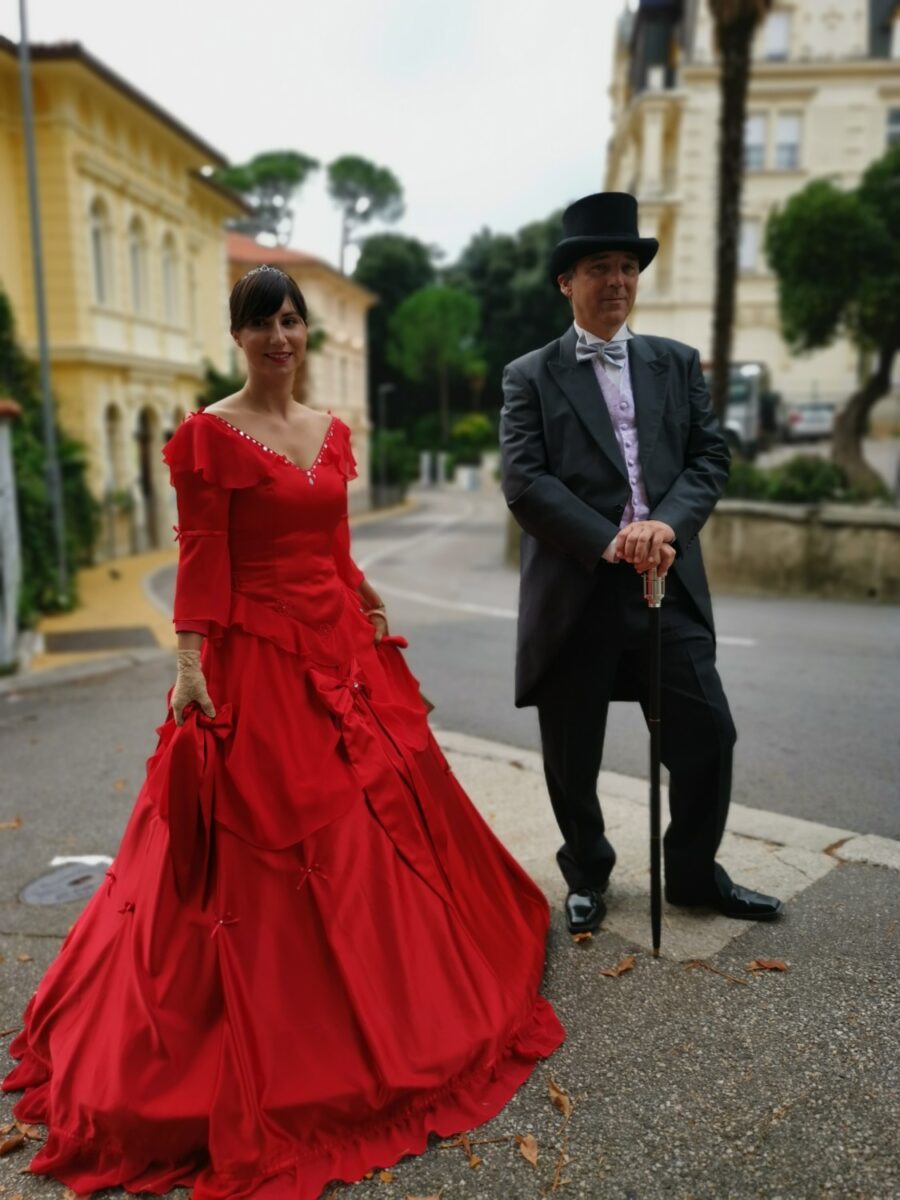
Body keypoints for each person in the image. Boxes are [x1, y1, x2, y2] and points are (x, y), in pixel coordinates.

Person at [3, 266, 563, 1200]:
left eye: (292, 321)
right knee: (267, 843)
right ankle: (293, 1039)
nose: (280, 338)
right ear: (239, 335)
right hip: (255, 658)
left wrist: (366, 592)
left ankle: (403, 998)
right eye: (262, 323)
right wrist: (190, 661)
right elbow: (202, 555)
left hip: (340, 646)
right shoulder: (207, 435)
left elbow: (333, 545)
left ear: (307, 335)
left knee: (386, 817)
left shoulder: (332, 432)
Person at [499, 192, 784, 936]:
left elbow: (708, 456)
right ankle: (587, 871)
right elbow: (525, 482)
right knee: (572, 751)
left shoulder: (676, 364)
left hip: (667, 582)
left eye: (628, 266)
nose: (618, 281)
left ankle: (692, 873)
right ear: (568, 280)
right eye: (601, 267)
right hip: (578, 587)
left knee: (708, 734)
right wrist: (610, 536)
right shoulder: (528, 375)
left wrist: (666, 525)